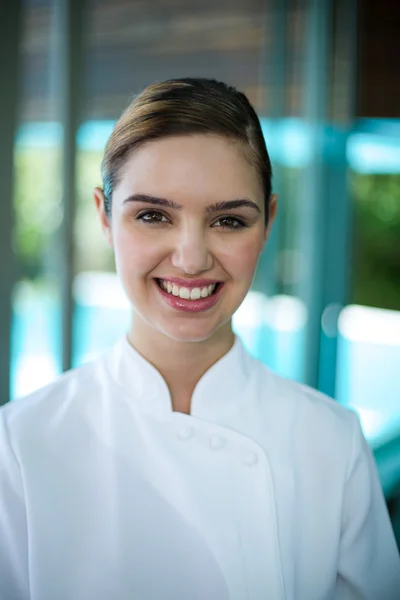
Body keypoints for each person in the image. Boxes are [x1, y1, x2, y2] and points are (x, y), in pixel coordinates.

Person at [0, 78, 399, 600]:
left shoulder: (332, 442)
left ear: (268, 223)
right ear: (103, 216)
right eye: (152, 216)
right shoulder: (20, 443)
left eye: (229, 221)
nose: (191, 259)